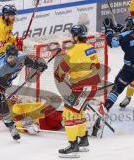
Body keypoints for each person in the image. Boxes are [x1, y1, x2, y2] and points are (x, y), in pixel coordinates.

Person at [54, 24, 101, 158]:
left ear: (75, 36)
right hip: (92, 86)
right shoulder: (90, 48)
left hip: (82, 88)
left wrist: (59, 74)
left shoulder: (73, 50)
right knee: (78, 112)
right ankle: (84, 141)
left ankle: (73, 146)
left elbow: (61, 71)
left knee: (68, 113)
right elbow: (97, 66)